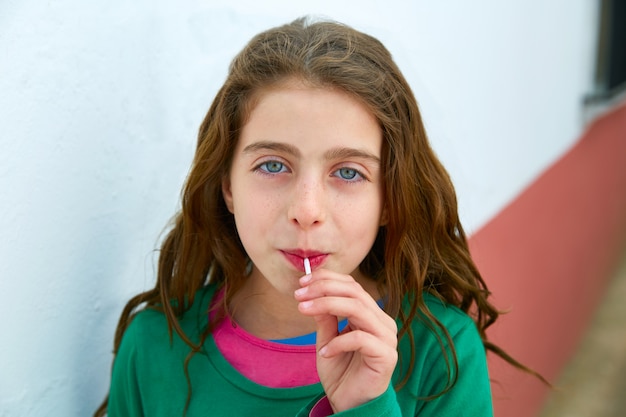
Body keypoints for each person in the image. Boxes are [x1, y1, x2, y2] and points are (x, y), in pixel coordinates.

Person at [95, 16, 542, 417]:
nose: (306, 211)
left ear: (389, 200)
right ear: (227, 186)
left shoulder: (440, 353)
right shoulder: (154, 346)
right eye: (272, 165)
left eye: (348, 172)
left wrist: (366, 408)